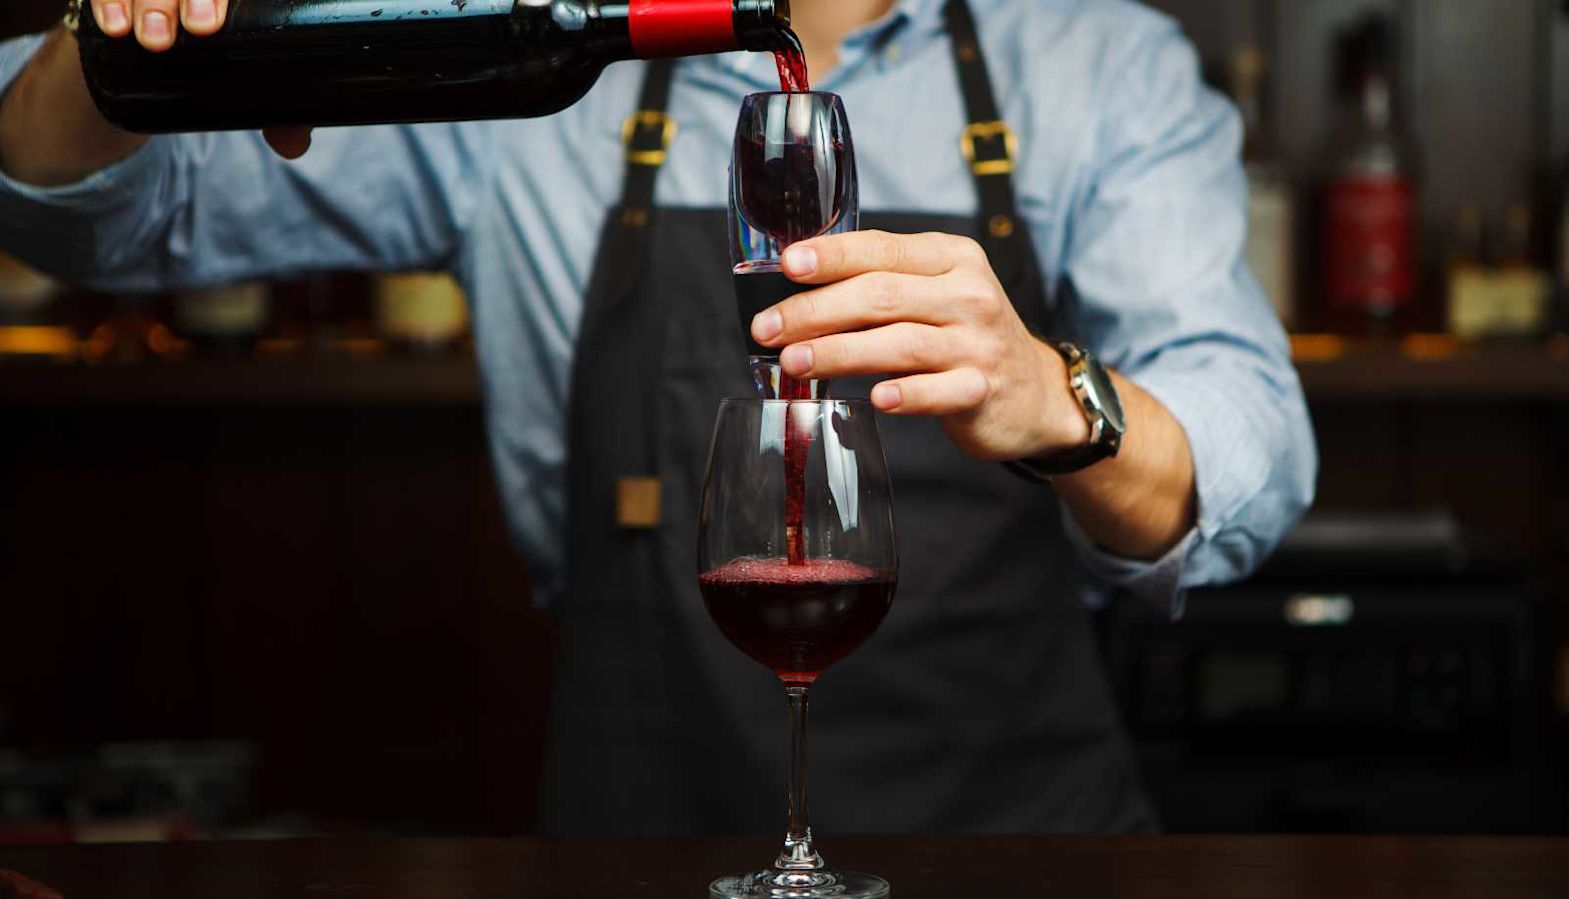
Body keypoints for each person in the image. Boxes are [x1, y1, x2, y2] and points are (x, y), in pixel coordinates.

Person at [0, 0, 1316, 833]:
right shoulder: (519, 56)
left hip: (1025, 848)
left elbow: (1247, 441)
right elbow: (97, 215)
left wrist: (1057, 396)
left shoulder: (1095, 62)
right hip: (633, 846)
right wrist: (108, 44)